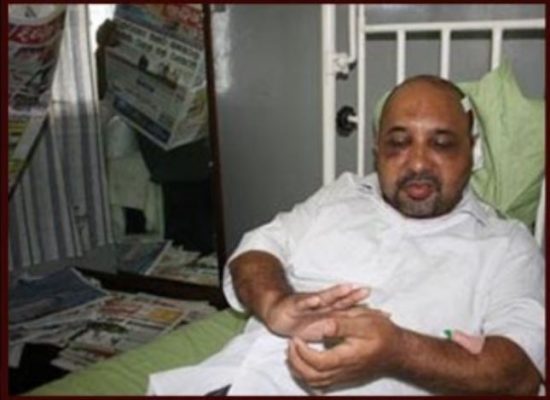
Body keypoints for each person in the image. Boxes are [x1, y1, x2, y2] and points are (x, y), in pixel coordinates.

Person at [147, 75, 544, 395]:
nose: (418, 162)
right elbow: (256, 251)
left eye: (441, 144)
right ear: (376, 149)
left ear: (472, 152)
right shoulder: (342, 196)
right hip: (227, 380)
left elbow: (520, 372)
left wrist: (398, 351)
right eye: (398, 143)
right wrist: (276, 304)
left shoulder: (506, 245)